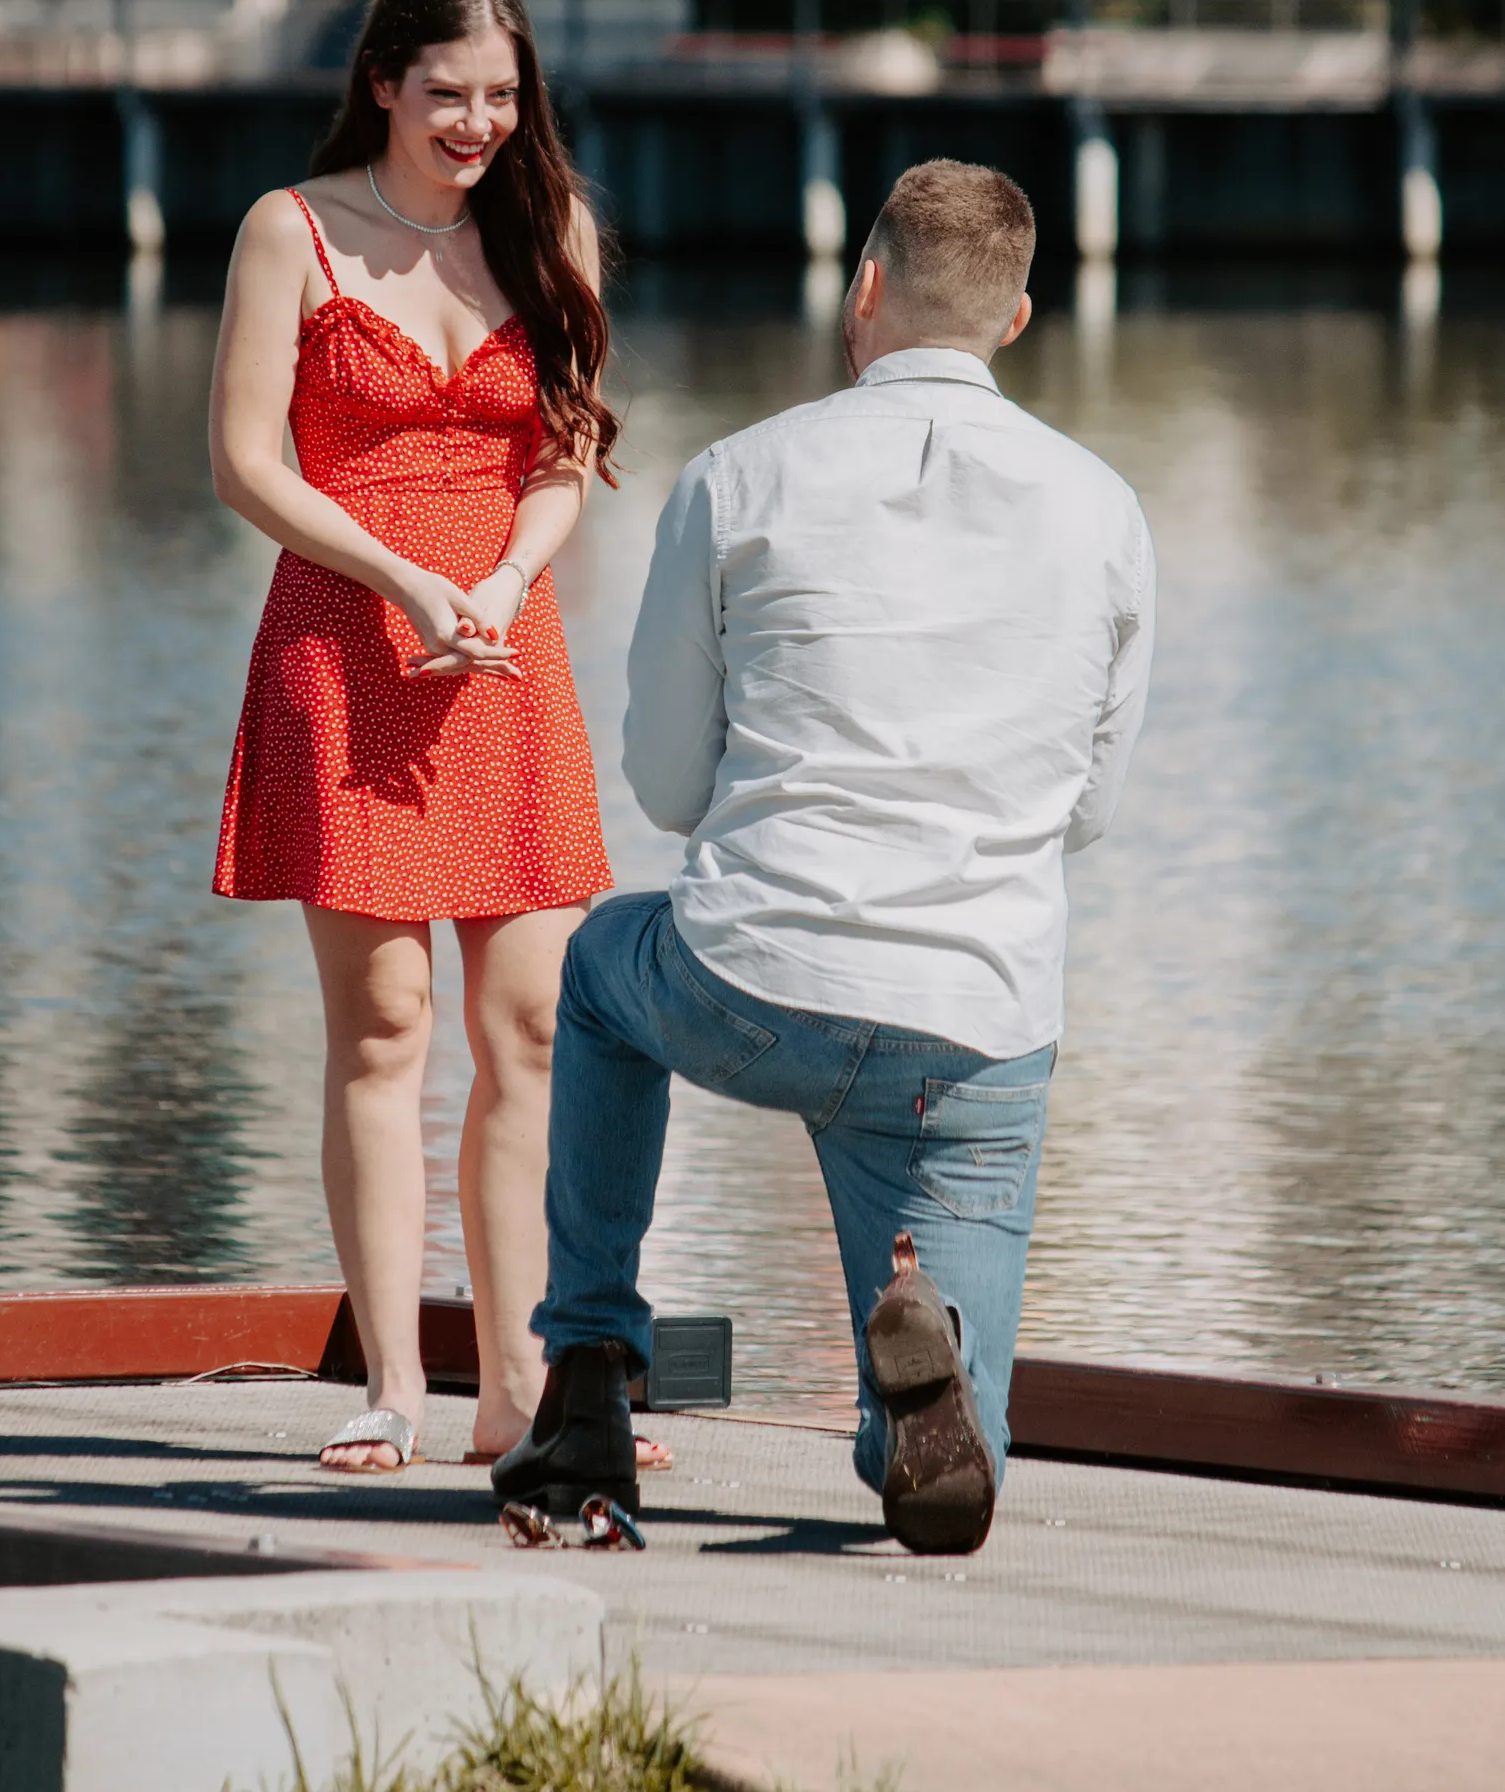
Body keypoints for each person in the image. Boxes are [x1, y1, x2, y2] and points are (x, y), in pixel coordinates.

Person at [492, 158, 1155, 1550]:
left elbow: (668, 787)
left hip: (753, 983)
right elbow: (1085, 808)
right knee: (954, 1435)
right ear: (1016, 320)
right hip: (974, 1030)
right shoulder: (1103, 509)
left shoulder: (737, 477)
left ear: (864, 288)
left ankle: (590, 1374)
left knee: (601, 966)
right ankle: (916, 1397)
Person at [210, 0, 623, 1475]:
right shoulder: (293, 229)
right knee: (383, 1027)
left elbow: (564, 455)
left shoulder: (552, 227)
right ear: (382, 80)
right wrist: (399, 578)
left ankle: (517, 1388)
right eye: (447, 93)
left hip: (505, 651)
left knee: (532, 1029)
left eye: (501, 95)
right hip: (347, 640)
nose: (477, 124)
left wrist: (502, 580)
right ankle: (394, 1385)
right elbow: (244, 463)